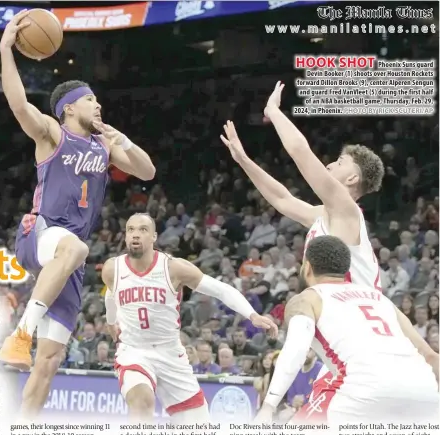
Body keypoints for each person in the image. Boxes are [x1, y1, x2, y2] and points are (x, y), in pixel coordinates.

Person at [0, 11, 156, 418]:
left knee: (49, 360)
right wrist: (5, 51)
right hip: (40, 232)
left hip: (68, 260)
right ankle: (20, 333)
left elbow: (147, 171)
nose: (98, 104)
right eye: (90, 99)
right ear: (69, 109)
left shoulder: (104, 146)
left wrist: (123, 139)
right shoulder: (53, 133)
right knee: (77, 247)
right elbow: (18, 104)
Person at [220, 81, 393, 407]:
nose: (330, 165)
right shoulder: (324, 215)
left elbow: (300, 151)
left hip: (360, 347)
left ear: (352, 179)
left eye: (340, 162)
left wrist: (273, 112)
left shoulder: (347, 211)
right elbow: (282, 198)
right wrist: (243, 159)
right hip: (344, 349)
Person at [101, 213, 278, 422]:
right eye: (130, 230)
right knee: (141, 402)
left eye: (142, 230)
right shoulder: (113, 268)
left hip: (170, 353)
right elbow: (111, 295)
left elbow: (220, 290)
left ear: (154, 237)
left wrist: (252, 314)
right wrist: (111, 321)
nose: (135, 235)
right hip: (134, 350)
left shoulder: (173, 268)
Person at [255, 236, 439, 423]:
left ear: (307, 267)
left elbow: (296, 351)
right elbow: (430, 356)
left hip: (366, 387)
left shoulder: (306, 299)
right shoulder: (380, 299)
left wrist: (268, 406)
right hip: (423, 389)